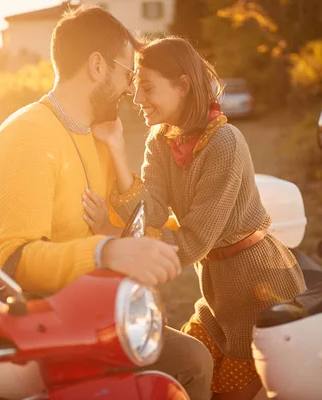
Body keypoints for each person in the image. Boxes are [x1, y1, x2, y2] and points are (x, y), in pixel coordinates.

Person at [0, 7, 213, 400]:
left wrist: (118, 154)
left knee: (191, 360)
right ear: (98, 66)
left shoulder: (98, 136)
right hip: (5, 324)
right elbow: (18, 260)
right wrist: (108, 251)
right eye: (127, 73)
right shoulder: (27, 134)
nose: (130, 88)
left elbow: (130, 223)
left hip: (79, 313)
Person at [83, 36, 307, 400]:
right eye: (136, 87)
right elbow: (151, 211)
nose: (137, 99)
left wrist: (113, 235)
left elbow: (191, 244)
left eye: (148, 88)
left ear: (182, 86)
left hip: (260, 294)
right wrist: (116, 149)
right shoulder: (159, 140)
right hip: (217, 293)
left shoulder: (225, 144)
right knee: (184, 376)